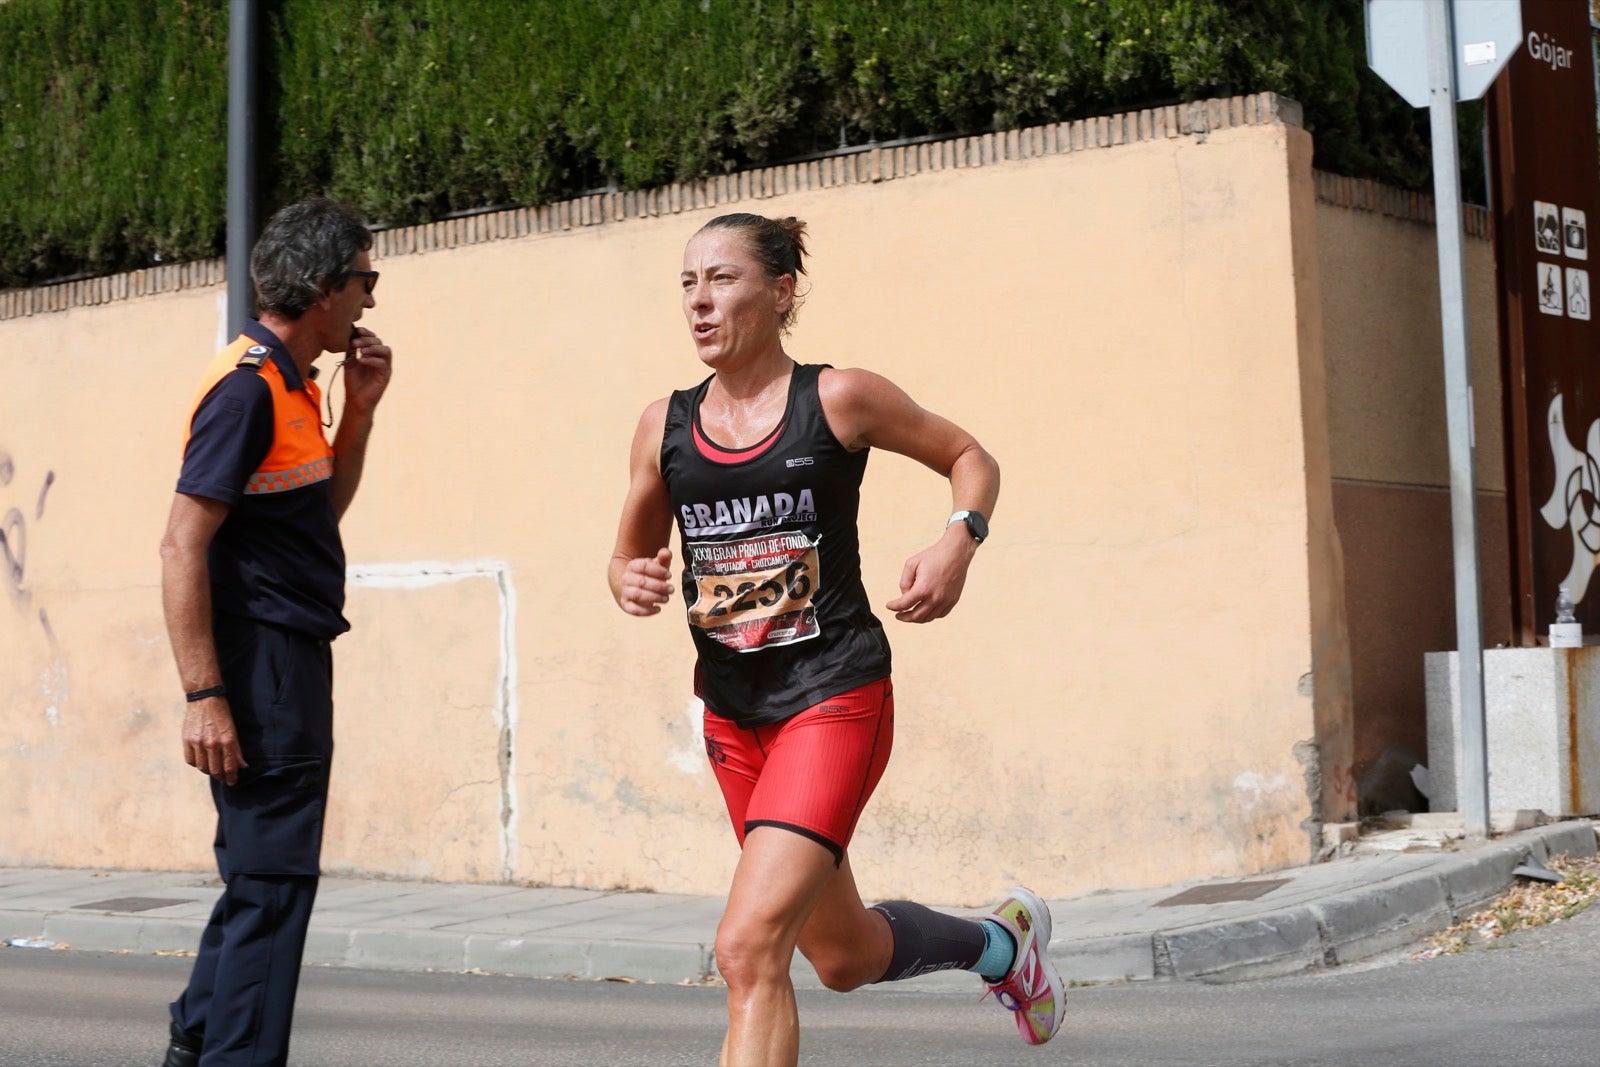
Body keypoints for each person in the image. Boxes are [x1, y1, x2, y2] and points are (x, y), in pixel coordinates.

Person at [609, 212, 1064, 1066]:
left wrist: (958, 539)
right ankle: (1003, 947)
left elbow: (970, 455)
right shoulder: (662, 426)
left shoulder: (838, 397)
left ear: (780, 293)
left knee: (747, 948)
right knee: (843, 955)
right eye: (687, 284)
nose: (699, 303)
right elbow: (629, 551)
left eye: (722, 279)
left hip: (834, 697)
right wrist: (628, 577)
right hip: (733, 718)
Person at [158, 197, 393, 1067]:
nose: (370, 300)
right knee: (276, 883)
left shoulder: (292, 385)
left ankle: (196, 1035)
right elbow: (182, 541)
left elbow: (313, 516)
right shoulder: (246, 389)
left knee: (261, 876)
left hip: (283, 658)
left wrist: (359, 412)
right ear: (326, 288)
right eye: (365, 280)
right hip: (262, 666)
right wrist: (205, 695)